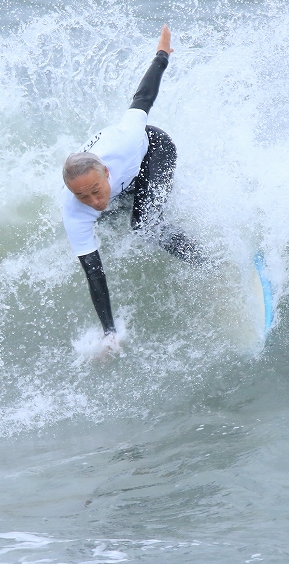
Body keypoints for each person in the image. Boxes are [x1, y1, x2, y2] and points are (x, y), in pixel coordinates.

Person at [62, 25, 203, 349]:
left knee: (144, 225)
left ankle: (209, 263)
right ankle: (133, 197)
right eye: (82, 196)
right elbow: (93, 273)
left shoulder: (124, 140)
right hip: (123, 180)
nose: (93, 202)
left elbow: (144, 96)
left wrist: (162, 54)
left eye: (95, 191)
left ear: (106, 172)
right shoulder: (74, 209)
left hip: (154, 150)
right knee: (107, 221)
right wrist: (109, 332)